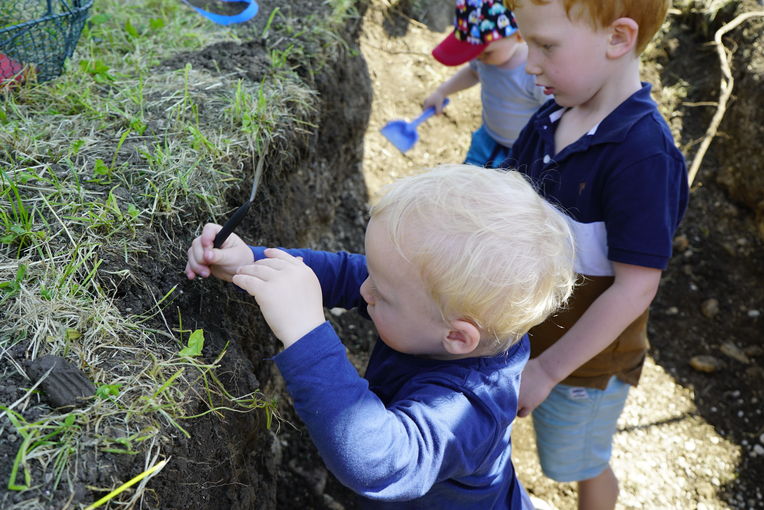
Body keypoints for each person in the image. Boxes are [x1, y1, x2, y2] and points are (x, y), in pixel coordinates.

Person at [185, 164, 576, 509]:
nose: (364, 288)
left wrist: (306, 333)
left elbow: (377, 461)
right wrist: (250, 263)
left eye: (382, 291)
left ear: (458, 336)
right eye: (373, 272)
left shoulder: (469, 409)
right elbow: (347, 274)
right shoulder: (434, 315)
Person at [499, 1, 690, 509]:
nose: (528, 61)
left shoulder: (642, 157)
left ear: (618, 38)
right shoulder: (553, 115)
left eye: (546, 45)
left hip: (582, 365)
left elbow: (635, 287)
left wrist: (546, 371)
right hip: (528, 334)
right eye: (527, 41)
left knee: (574, 460)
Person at [424, 0, 548, 168]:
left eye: (486, 53)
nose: (479, 58)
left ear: (520, 35)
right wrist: (441, 91)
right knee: (470, 181)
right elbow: (472, 73)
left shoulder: (534, 73)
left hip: (524, 151)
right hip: (487, 137)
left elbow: (552, 114)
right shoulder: (485, 60)